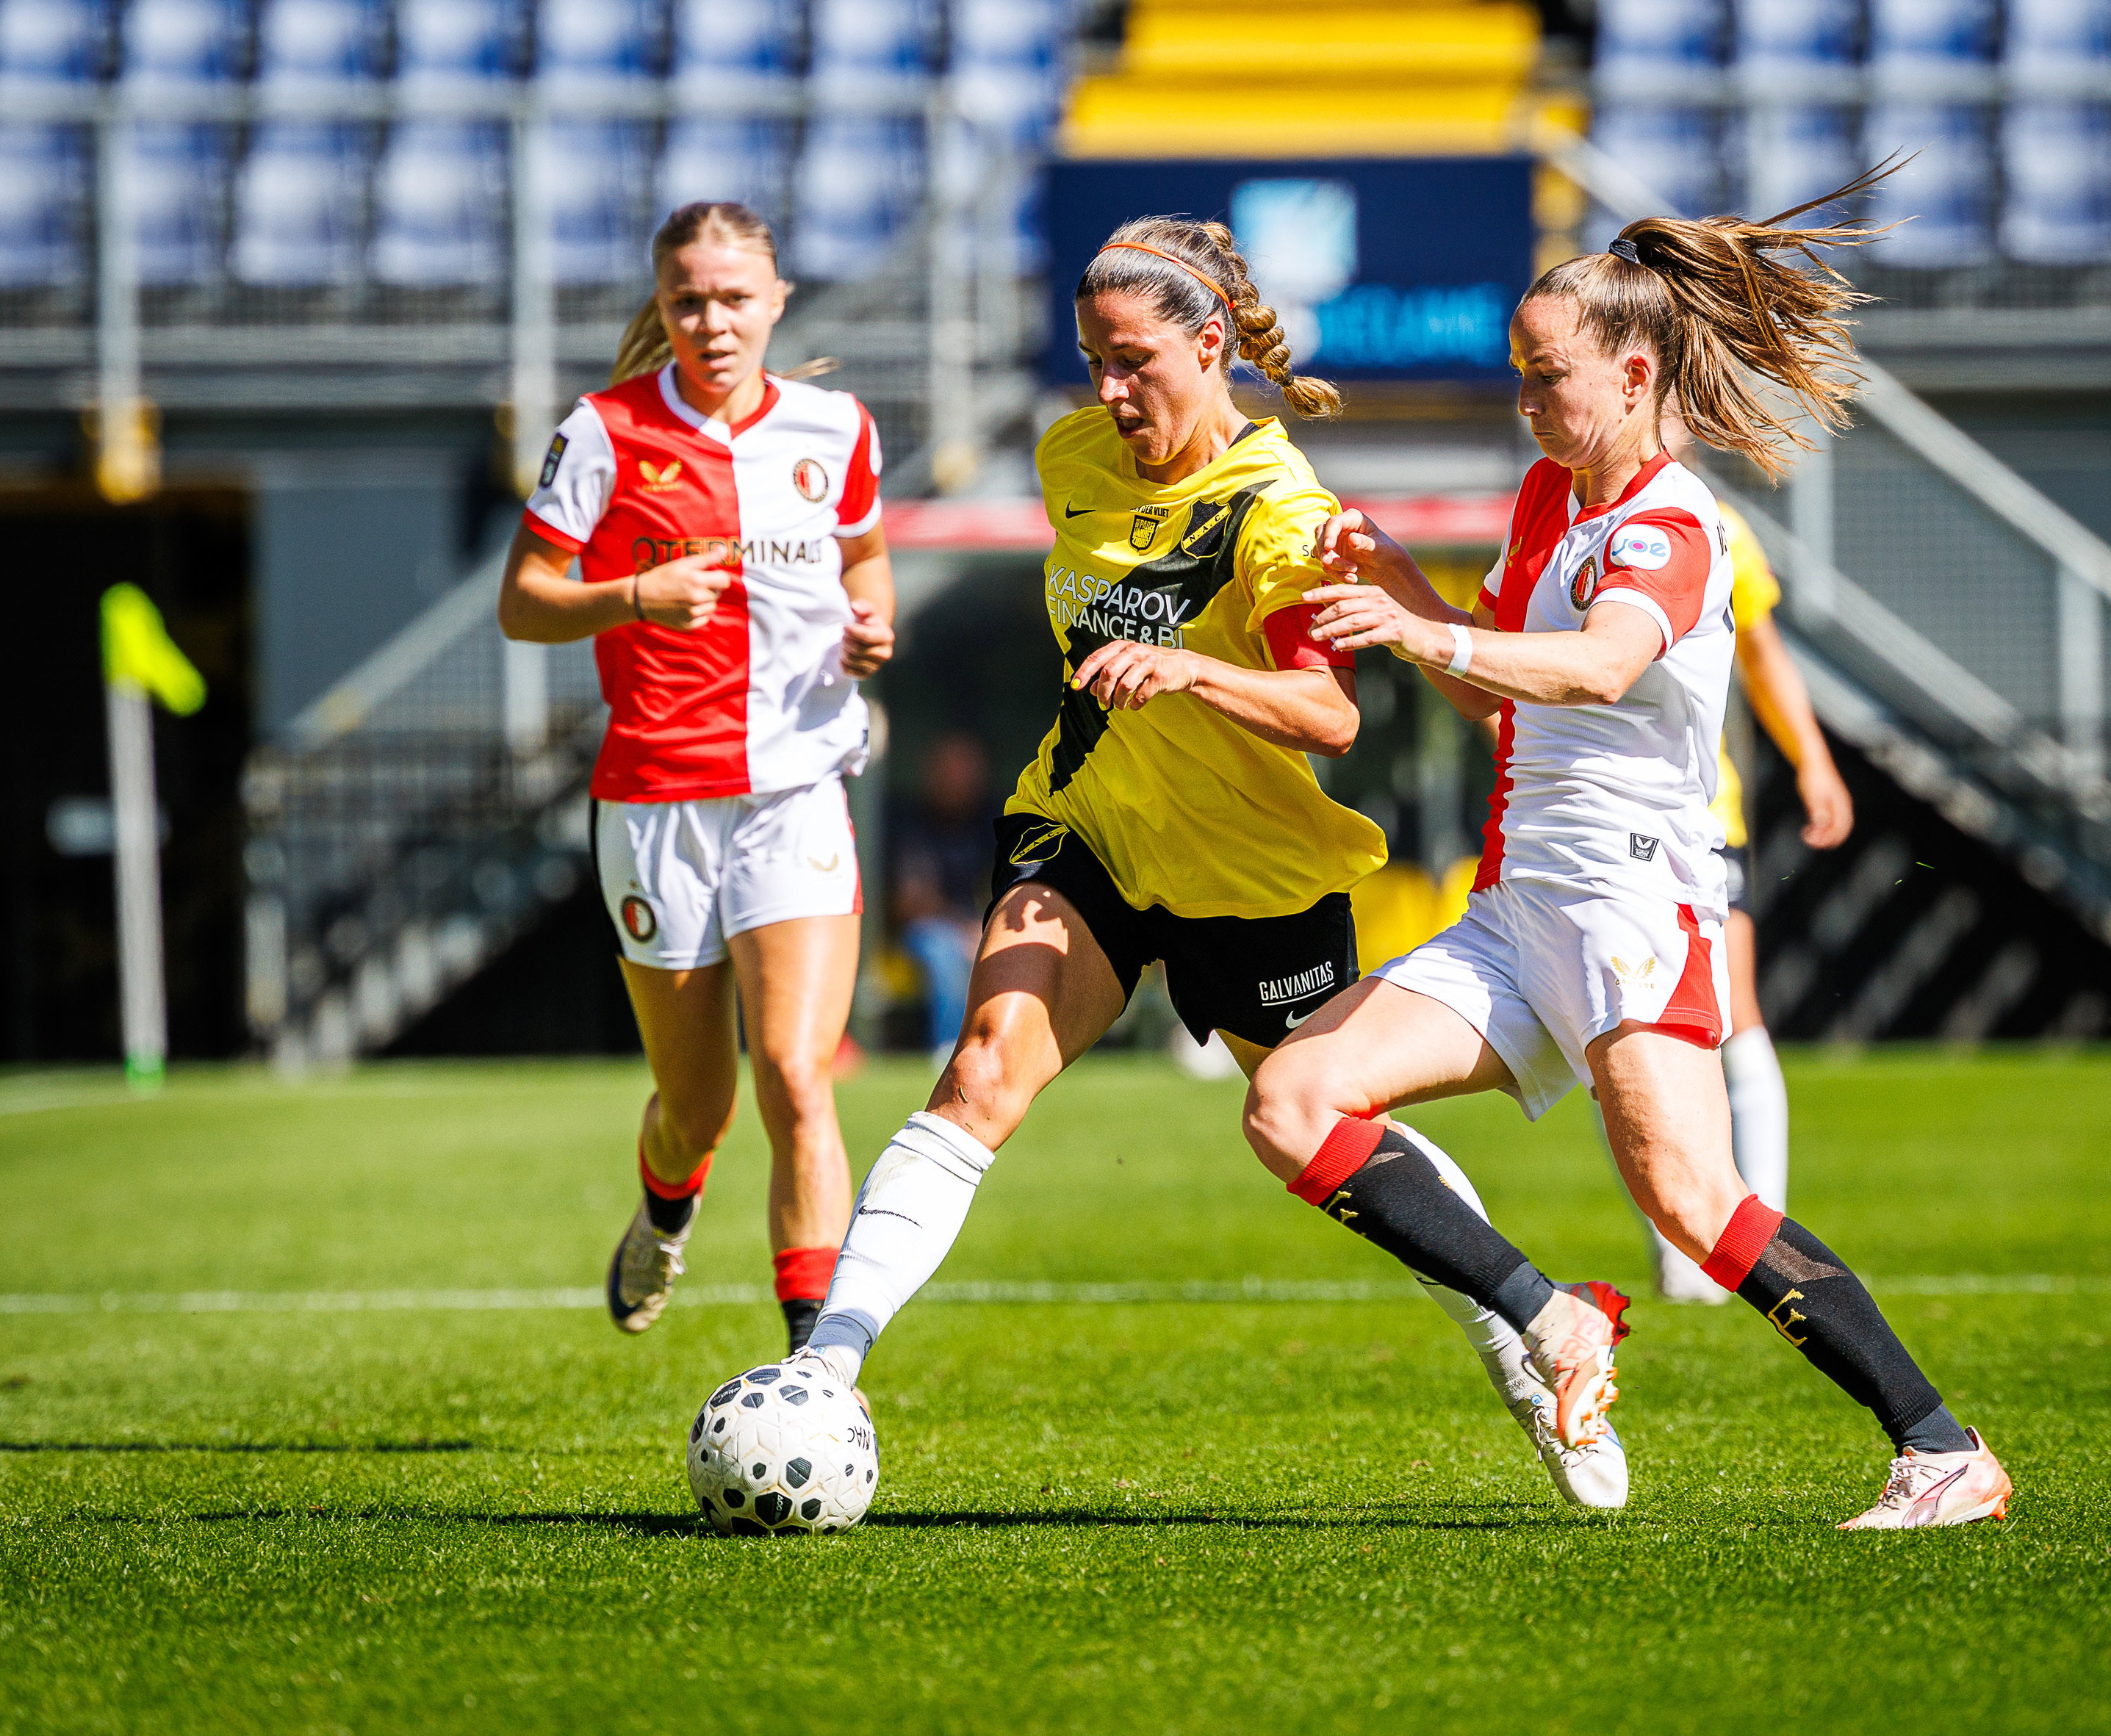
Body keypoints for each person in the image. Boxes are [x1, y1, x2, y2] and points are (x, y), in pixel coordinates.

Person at [793, 215, 1635, 1508]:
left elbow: (1336, 718)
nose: (1107, 390)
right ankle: (823, 1373)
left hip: (1255, 878)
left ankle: (1523, 1339)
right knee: (980, 1072)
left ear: (1208, 345)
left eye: (1132, 360)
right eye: (1090, 359)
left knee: (1331, 1130)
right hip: (1086, 832)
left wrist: (1190, 666)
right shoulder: (1068, 454)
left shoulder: (1277, 510)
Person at [1254, 171, 2017, 1530]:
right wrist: (1393, 585)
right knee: (1292, 1101)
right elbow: (1498, 690)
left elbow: (1602, 667)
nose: (1526, 404)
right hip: (1517, 908)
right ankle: (1550, 1318)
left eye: (1546, 379)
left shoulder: (1672, 525)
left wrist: (1431, 631)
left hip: (1627, 905)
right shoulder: (1550, 499)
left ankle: (1939, 1445)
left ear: (1631, 369)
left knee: (1692, 1201)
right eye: (1518, 379)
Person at [497, 201, 895, 1353]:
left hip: (798, 786)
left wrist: (873, 630)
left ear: (776, 300)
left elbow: (865, 559)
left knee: (794, 1071)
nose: (711, 321)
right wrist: (632, 595)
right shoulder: (604, 431)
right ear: (661, 306)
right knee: (697, 1108)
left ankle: (820, 1365)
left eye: (733, 298)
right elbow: (523, 600)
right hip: (656, 798)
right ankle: (665, 1208)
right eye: (687, 300)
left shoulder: (833, 428)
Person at [1647, 422, 1854, 1305]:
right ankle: (1678, 1248)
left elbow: (1765, 656)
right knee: (1631, 1034)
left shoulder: (1718, 525)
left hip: (1696, 818)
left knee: (1729, 1014)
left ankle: (1754, 1235)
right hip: (1583, 829)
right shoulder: (1558, 516)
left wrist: (1812, 758)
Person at [890, 731, 996, 1059]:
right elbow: (909, 902)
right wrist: (965, 928)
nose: (960, 779)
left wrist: (984, 927)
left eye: (967, 770)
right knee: (944, 952)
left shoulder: (990, 821)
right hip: (920, 932)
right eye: (951, 770)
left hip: (977, 926)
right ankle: (952, 1052)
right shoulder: (911, 823)